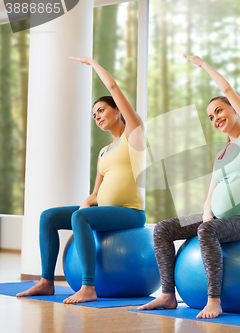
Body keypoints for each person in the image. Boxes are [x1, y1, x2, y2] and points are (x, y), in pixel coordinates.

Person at [138, 54, 240, 319]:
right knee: (164, 228)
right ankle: (167, 295)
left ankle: (214, 300)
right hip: (218, 218)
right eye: (210, 117)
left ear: (233, 108)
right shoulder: (223, 152)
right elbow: (212, 189)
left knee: (207, 231)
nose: (215, 118)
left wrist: (204, 65)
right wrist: (207, 211)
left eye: (219, 111)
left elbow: (228, 89)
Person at [16, 57, 146, 304]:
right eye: (94, 114)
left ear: (117, 110)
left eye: (102, 110)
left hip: (130, 212)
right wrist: (86, 203)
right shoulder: (103, 152)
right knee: (49, 216)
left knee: (80, 217)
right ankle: (46, 281)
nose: (97, 116)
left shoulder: (134, 137)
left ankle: (88, 287)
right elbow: (96, 194)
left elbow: (114, 89)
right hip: (105, 210)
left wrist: (95, 65)